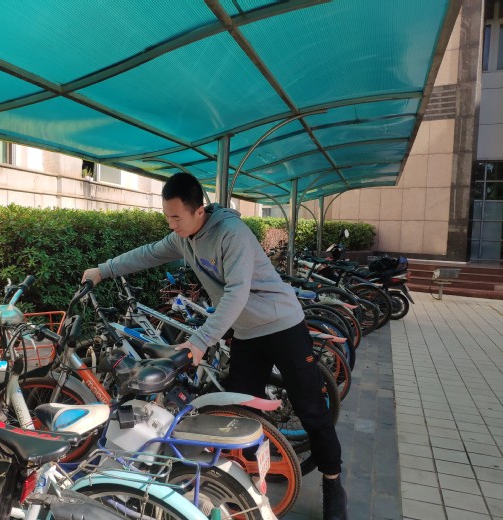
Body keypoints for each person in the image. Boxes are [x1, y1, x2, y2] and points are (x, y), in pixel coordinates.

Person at [82, 172, 348, 520]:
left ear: (199, 211)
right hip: (248, 334)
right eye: (167, 217)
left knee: (310, 406)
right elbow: (148, 254)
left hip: (283, 325)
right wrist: (103, 270)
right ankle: (252, 479)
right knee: (239, 409)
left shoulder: (232, 233)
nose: (171, 224)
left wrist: (200, 341)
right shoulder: (184, 238)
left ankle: (333, 481)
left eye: (176, 217)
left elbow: (237, 293)